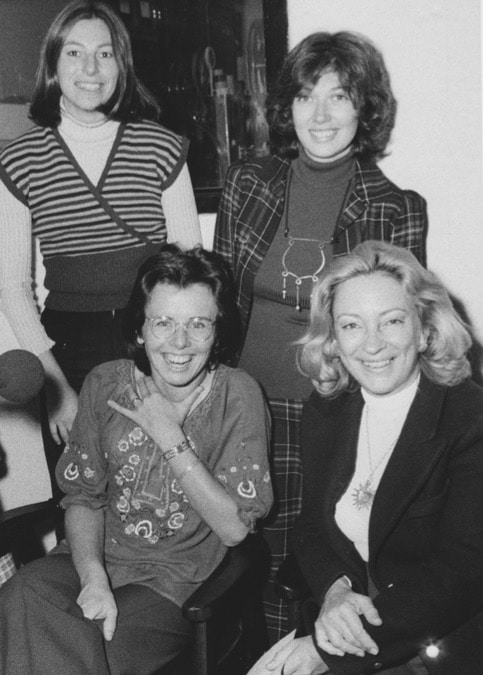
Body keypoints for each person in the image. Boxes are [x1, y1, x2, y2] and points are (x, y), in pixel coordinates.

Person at [214, 31, 428, 641]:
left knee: (315, 564)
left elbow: (399, 331)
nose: (322, 115)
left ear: (365, 109)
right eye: (307, 97)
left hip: (332, 413)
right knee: (237, 565)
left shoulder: (396, 206)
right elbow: (218, 301)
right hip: (241, 406)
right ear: (288, 108)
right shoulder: (247, 184)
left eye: (339, 97)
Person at [0, 244, 273, 674]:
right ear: (141, 330)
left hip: (173, 583)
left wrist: (170, 436)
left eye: (198, 324)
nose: (180, 342)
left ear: (217, 332)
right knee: (19, 595)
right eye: (163, 322)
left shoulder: (237, 394)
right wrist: (94, 579)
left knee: (83, 647)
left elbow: (236, 528)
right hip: (88, 561)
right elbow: (83, 497)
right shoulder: (105, 383)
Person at [252, 241, 483, 675]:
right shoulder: (328, 409)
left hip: (439, 645)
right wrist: (336, 589)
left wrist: (328, 653)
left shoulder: (470, 420)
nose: (372, 345)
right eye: (352, 325)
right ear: (334, 340)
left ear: (424, 328)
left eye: (392, 321)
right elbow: (312, 527)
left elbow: (461, 576)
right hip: (345, 619)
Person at [0, 0, 201, 446]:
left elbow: (191, 273)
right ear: (53, 63)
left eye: (105, 53)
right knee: (81, 496)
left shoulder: (162, 148)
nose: (90, 67)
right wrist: (58, 390)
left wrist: (178, 368)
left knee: (161, 492)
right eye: (74, 52)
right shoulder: (20, 159)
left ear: (121, 65)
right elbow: (13, 286)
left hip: (154, 338)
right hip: (67, 349)